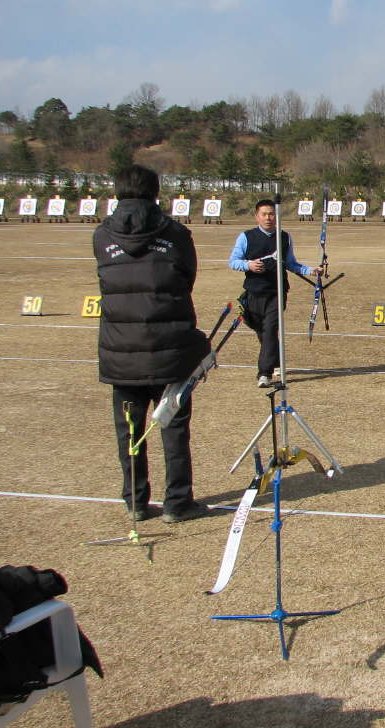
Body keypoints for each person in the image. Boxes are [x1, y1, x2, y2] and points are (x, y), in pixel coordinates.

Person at [94, 164, 211, 524]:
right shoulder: (175, 234)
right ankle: (177, 502)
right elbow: (186, 279)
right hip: (169, 350)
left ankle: (135, 501)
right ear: (155, 192)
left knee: (130, 430)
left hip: (122, 352)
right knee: (173, 428)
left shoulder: (102, 234)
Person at [228, 199, 316, 387]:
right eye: (264, 214)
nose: (268, 218)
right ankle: (275, 361)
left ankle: (264, 373)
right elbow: (233, 261)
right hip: (254, 292)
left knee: (270, 328)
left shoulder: (284, 237)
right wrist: (248, 265)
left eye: (272, 214)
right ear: (257, 216)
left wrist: (310, 270)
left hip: (277, 292)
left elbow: (291, 263)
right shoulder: (246, 237)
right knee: (261, 330)